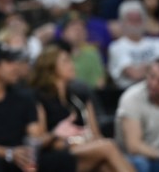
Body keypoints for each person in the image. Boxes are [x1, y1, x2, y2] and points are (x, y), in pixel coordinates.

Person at [0, 42, 77, 172]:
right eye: (9, 62)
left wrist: (54, 134)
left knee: (63, 159)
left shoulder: (24, 96)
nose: (16, 67)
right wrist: (9, 153)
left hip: (23, 155)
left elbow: (34, 137)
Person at [30, 43, 134, 172]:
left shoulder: (80, 96)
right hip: (55, 155)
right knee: (108, 146)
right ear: (50, 67)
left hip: (84, 148)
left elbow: (96, 134)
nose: (72, 65)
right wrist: (57, 134)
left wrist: (85, 140)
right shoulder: (38, 98)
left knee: (105, 165)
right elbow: (38, 141)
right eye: (66, 62)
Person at [115, 57, 159, 172]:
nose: (153, 84)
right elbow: (133, 146)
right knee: (141, 163)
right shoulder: (131, 98)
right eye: (151, 76)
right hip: (129, 158)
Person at [108, 0, 159, 90]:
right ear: (122, 22)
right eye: (131, 20)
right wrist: (157, 68)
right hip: (130, 92)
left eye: (138, 19)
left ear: (145, 21)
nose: (135, 24)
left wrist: (144, 68)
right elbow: (134, 74)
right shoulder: (116, 47)